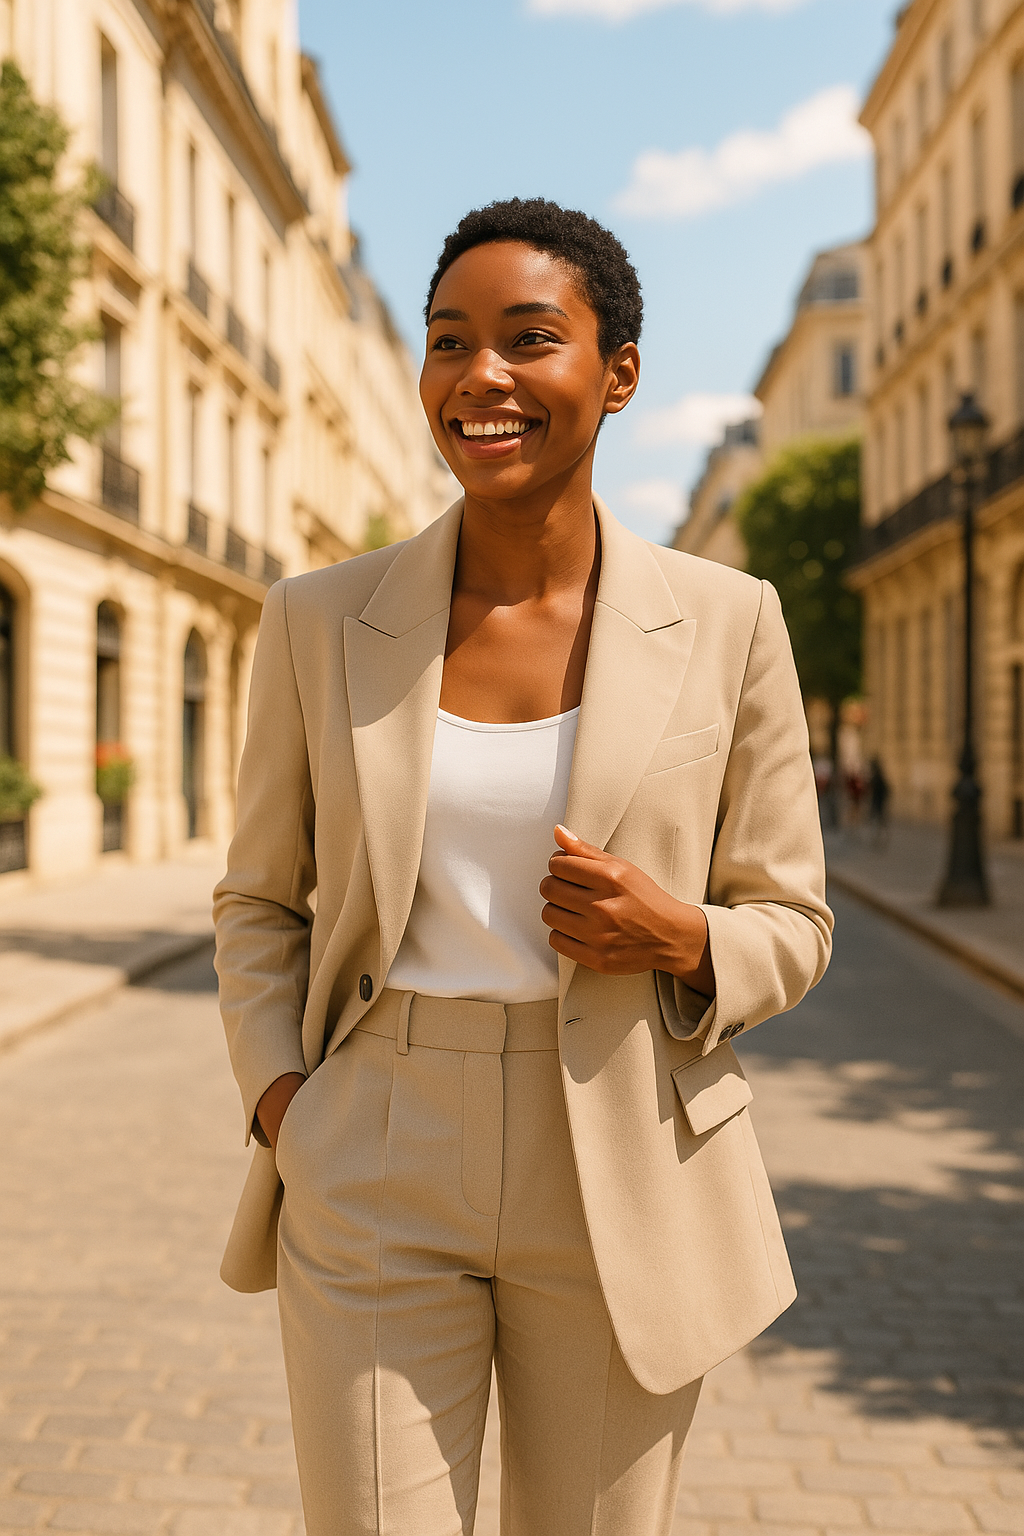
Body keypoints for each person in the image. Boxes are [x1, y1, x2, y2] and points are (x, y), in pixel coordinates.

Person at [214, 198, 833, 1536]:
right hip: (377, 1141)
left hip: (626, 1149)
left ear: (616, 372)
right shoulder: (319, 620)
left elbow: (794, 917)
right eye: (448, 341)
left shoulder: (731, 624)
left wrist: (685, 937)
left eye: (527, 338)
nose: (478, 376)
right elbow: (263, 894)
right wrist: (285, 1102)